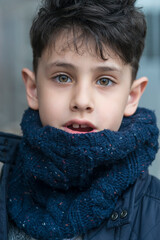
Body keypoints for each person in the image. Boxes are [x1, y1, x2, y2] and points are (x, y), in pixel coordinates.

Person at [0, 0, 160, 239]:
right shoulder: (4, 189)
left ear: (131, 97)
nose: (82, 100)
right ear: (34, 89)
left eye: (104, 80)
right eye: (63, 77)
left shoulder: (154, 211)